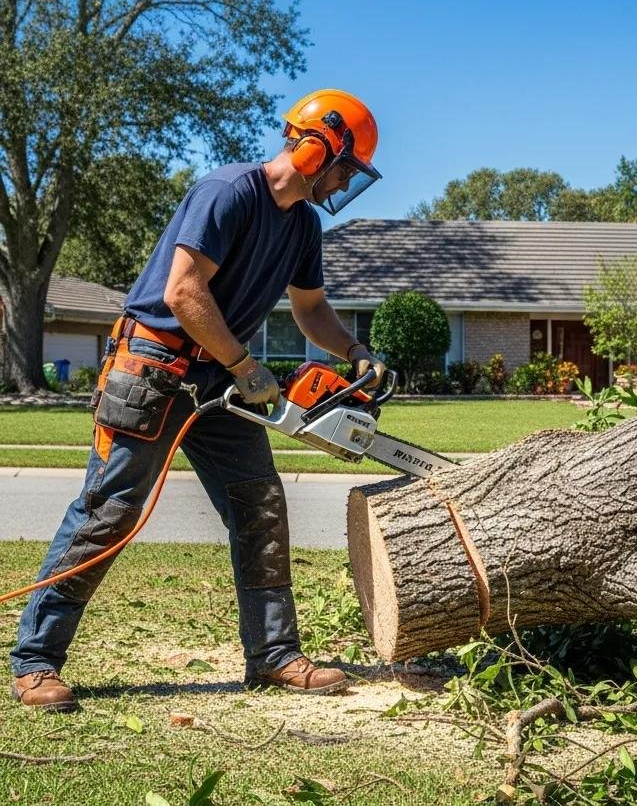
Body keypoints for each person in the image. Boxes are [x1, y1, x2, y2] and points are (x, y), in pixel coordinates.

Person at [10, 89, 386, 712]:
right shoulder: (228, 192)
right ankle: (36, 661)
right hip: (155, 366)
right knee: (110, 509)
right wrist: (245, 363)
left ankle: (273, 654)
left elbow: (311, 307)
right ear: (318, 147)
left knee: (259, 503)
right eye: (347, 167)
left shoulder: (302, 226)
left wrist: (355, 352)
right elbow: (185, 293)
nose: (346, 182)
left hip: (220, 380)